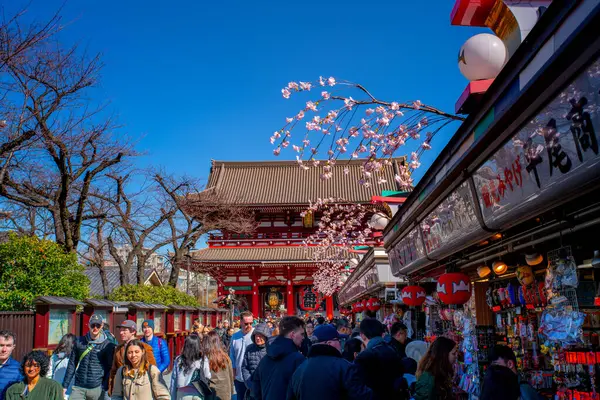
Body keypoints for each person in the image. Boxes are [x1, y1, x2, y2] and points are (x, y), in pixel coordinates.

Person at [287, 324, 372, 400]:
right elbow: (362, 396)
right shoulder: (343, 367)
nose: (340, 344)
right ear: (329, 343)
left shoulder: (300, 369)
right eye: (338, 340)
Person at [63, 314, 116, 400]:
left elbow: (109, 368)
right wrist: (65, 386)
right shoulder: (79, 342)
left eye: (98, 325)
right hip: (79, 387)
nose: (95, 328)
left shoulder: (107, 345)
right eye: (93, 325)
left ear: (102, 326)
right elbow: (72, 364)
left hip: (97, 387)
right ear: (88, 325)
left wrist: (105, 388)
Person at [251, 316, 306, 400]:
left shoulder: (265, 358)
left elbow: (255, 388)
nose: (303, 337)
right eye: (301, 334)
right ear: (292, 335)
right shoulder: (298, 359)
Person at [354, 318, 407, 400]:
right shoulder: (392, 349)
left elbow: (359, 388)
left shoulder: (363, 357)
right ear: (382, 334)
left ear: (362, 335)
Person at [108, 320, 156, 394]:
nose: (121, 333)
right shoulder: (118, 349)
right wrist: (112, 389)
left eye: (124, 330)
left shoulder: (145, 348)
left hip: (140, 390)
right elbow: (114, 370)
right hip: (122, 390)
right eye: (120, 330)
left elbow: (153, 370)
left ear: (133, 332)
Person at [170, 334, 211, 399]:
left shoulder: (179, 360)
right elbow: (207, 376)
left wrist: (173, 397)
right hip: (198, 392)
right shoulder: (203, 359)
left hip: (182, 393)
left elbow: (174, 380)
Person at [229, 311, 254, 400]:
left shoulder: (256, 336)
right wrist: (234, 372)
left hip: (252, 377)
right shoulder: (235, 336)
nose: (249, 326)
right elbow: (232, 356)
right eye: (246, 323)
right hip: (239, 377)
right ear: (241, 322)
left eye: (251, 323)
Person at [203, 331, 235, 400]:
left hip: (211, 392)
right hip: (225, 391)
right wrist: (231, 392)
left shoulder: (206, 358)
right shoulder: (226, 357)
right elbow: (230, 376)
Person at [241, 323, 269, 393]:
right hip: (253, 388)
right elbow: (245, 367)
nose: (258, 338)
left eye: (260, 336)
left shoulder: (271, 349)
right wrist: (250, 385)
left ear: (266, 336)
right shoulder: (250, 348)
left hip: (268, 388)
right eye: (256, 335)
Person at [47, 333, 76, 398]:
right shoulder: (74, 358)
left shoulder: (54, 356)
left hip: (56, 392)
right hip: (71, 393)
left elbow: (49, 375)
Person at [0, 331, 22, 400]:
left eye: (8, 345)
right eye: (1, 345)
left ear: (13, 347)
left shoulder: (19, 369)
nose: (4, 350)